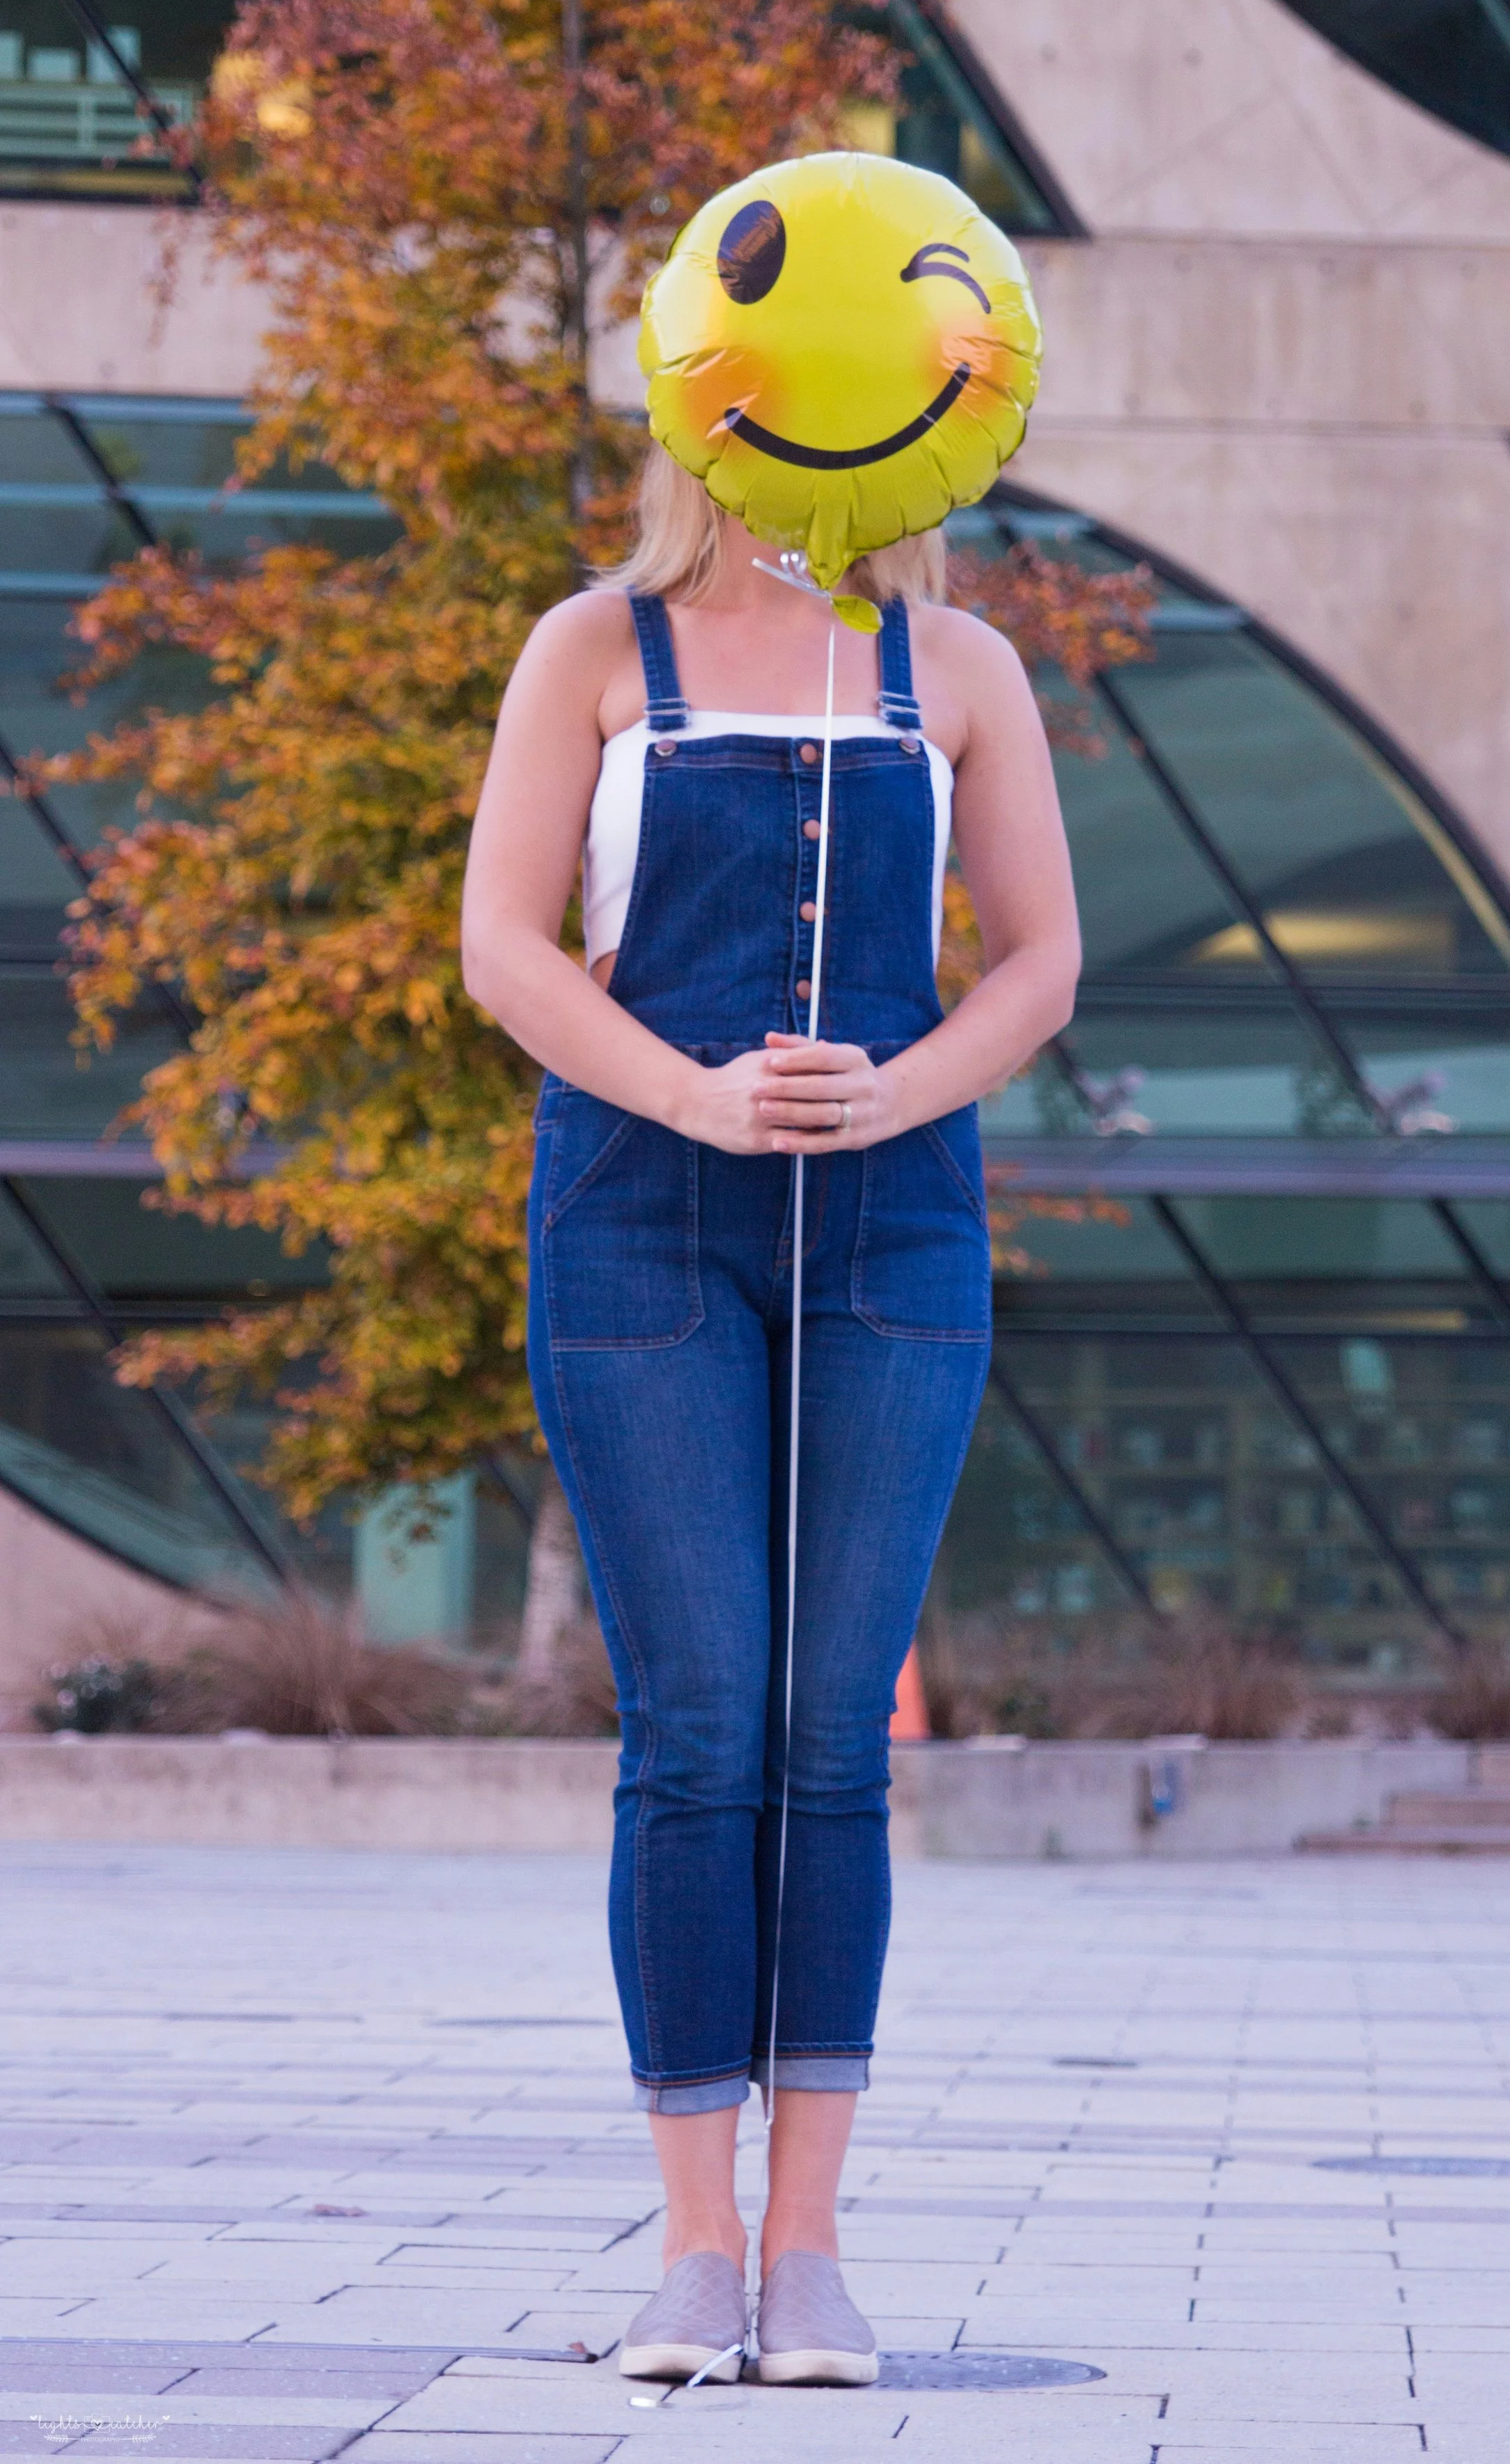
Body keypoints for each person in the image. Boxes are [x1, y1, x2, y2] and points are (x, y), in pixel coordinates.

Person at [461, 442, 1080, 2385]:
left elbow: (1043, 962)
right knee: (699, 1724)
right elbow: (502, 946)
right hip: (639, 1214)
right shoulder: (591, 648)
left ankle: (807, 2253)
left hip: (896, 1225)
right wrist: (693, 1096)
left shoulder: (955, 667)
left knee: (829, 1733)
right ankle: (693, 2249)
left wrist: (897, 1090)